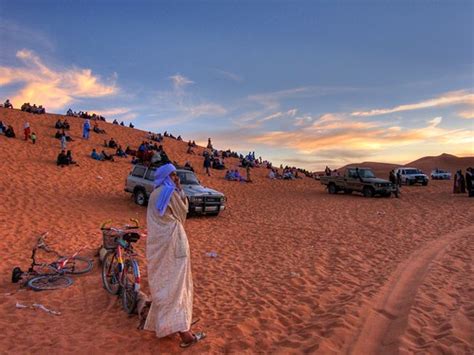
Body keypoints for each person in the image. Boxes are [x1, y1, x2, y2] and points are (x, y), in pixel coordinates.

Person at [144, 164, 205, 348]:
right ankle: (185, 334)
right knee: (177, 286)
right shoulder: (169, 192)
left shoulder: (155, 193)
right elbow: (182, 213)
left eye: (176, 174)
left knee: (164, 284)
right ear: (166, 176)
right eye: (173, 174)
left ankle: (168, 324)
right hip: (174, 244)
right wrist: (179, 190)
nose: (176, 177)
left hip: (158, 246)